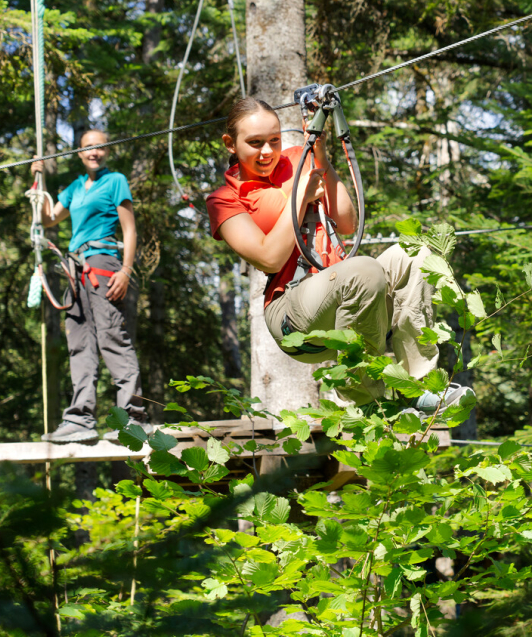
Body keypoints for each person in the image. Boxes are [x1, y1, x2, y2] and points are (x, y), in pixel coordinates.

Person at [206, 97, 471, 411]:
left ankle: (418, 386)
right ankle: (367, 400)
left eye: (274, 140)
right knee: (363, 270)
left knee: (414, 255)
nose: (267, 152)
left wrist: (320, 155)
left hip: (344, 290)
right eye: (255, 143)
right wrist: (301, 196)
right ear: (230, 144)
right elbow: (269, 258)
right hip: (292, 313)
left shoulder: (297, 159)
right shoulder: (225, 199)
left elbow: (346, 223)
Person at [30, 130, 150, 442]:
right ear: (80, 153)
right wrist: (39, 183)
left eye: (99, 147)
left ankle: (133, 418)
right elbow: (49, 219)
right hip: (75, 268)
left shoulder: (115, 181)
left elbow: (130, 228)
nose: (94, 152)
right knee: (79, 343)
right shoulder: (74, 188)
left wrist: (125, 270)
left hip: (103, 263)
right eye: (88, 148)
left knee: (112, 337)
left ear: (106, 151)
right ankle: (80, 419)